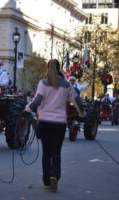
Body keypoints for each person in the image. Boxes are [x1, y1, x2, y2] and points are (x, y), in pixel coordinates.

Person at [25, 59, 85, 192]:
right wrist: (82, 113)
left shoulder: (43, 83)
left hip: (45, 122)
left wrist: (27, 109)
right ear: (59, 68)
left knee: (46, 153)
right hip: (59, 123)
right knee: (56, 152)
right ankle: (55, 176)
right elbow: (76, 100)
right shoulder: (67, 84)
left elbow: (37, 101)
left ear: (48, 67)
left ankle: (46, 181)